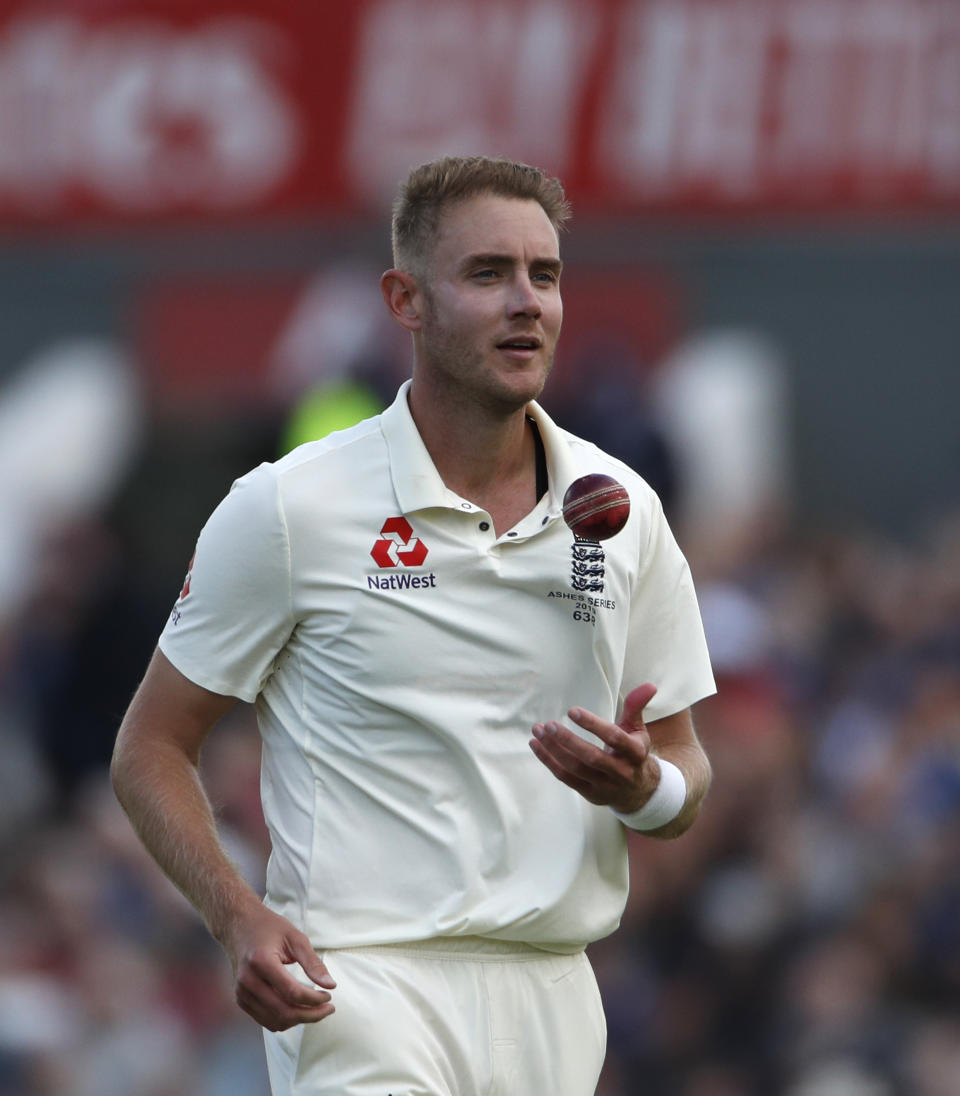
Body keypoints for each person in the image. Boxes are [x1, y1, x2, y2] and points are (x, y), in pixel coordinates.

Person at [111, 155, 716, 1096]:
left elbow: (685, 771)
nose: (528, 302)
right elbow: (150, 747)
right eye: (488, 274)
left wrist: (645, 790)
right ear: (406, 300)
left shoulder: (621, 504)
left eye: (544, 276)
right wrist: (236, 916)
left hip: (554, 991)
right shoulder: (289, 507)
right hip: (357, 982)